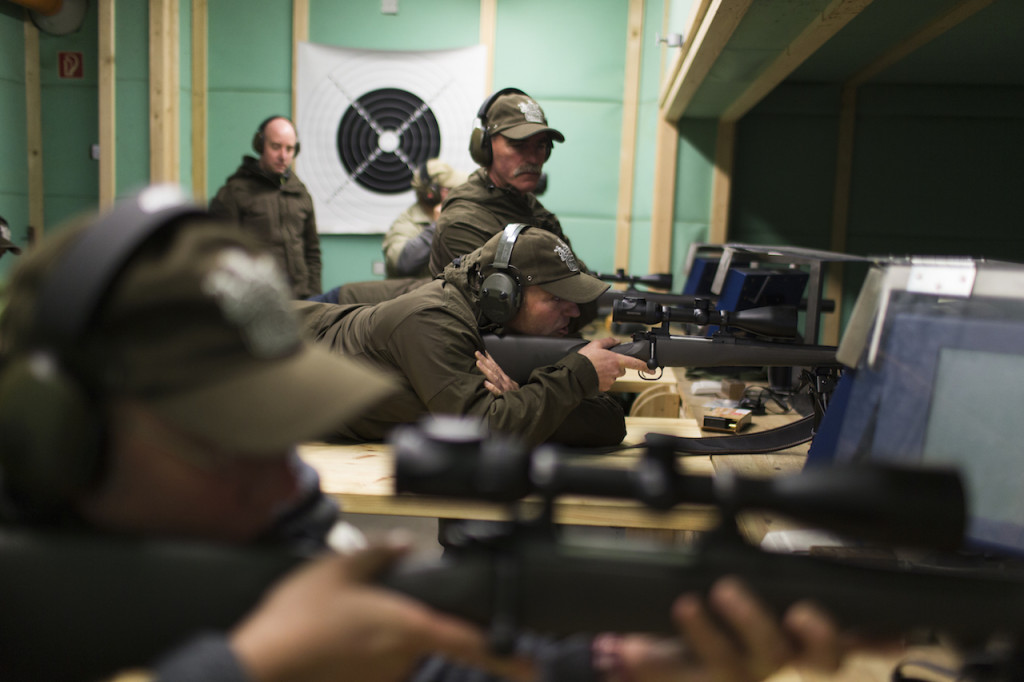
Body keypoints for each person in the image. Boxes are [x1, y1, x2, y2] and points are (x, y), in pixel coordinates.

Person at [0, 189, 852, 682]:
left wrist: (621, 662)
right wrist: (252, 666)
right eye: (227, 441)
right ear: (62, 438)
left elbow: (423, 661)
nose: (280, 477)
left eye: (285, 432)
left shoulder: (278, 517)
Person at [299, 224, 645, 447]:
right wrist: (575, 377)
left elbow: (609, 425)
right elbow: (487, 432)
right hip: (267, 360)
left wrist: (521, 396)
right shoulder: (432, 320)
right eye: (556, 299)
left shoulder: (497, 327)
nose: (573, 312)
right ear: (503, 293)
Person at [427, 89, 570, 278]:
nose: (533, 158)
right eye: (518, 145)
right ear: (484, 147)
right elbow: (501, 301)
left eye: (541, 146)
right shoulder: (462, 220)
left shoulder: (532, 208)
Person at [209, 115, 322, 299]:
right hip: (256, 302)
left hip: (302, 299)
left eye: (289, 149)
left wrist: (316, 296)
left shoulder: (300, 192)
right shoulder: (234, 193)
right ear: (260, 145)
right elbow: (222, 254)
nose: (283, 156)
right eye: (276, 147)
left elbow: (312, 251)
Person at [384, 159, 468, 279]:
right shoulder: (407, 222)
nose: (456, 193)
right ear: (431, 193)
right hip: (414, 293)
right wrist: (437, 226)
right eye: (449, 189)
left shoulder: (457, 215)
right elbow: (402, 263)